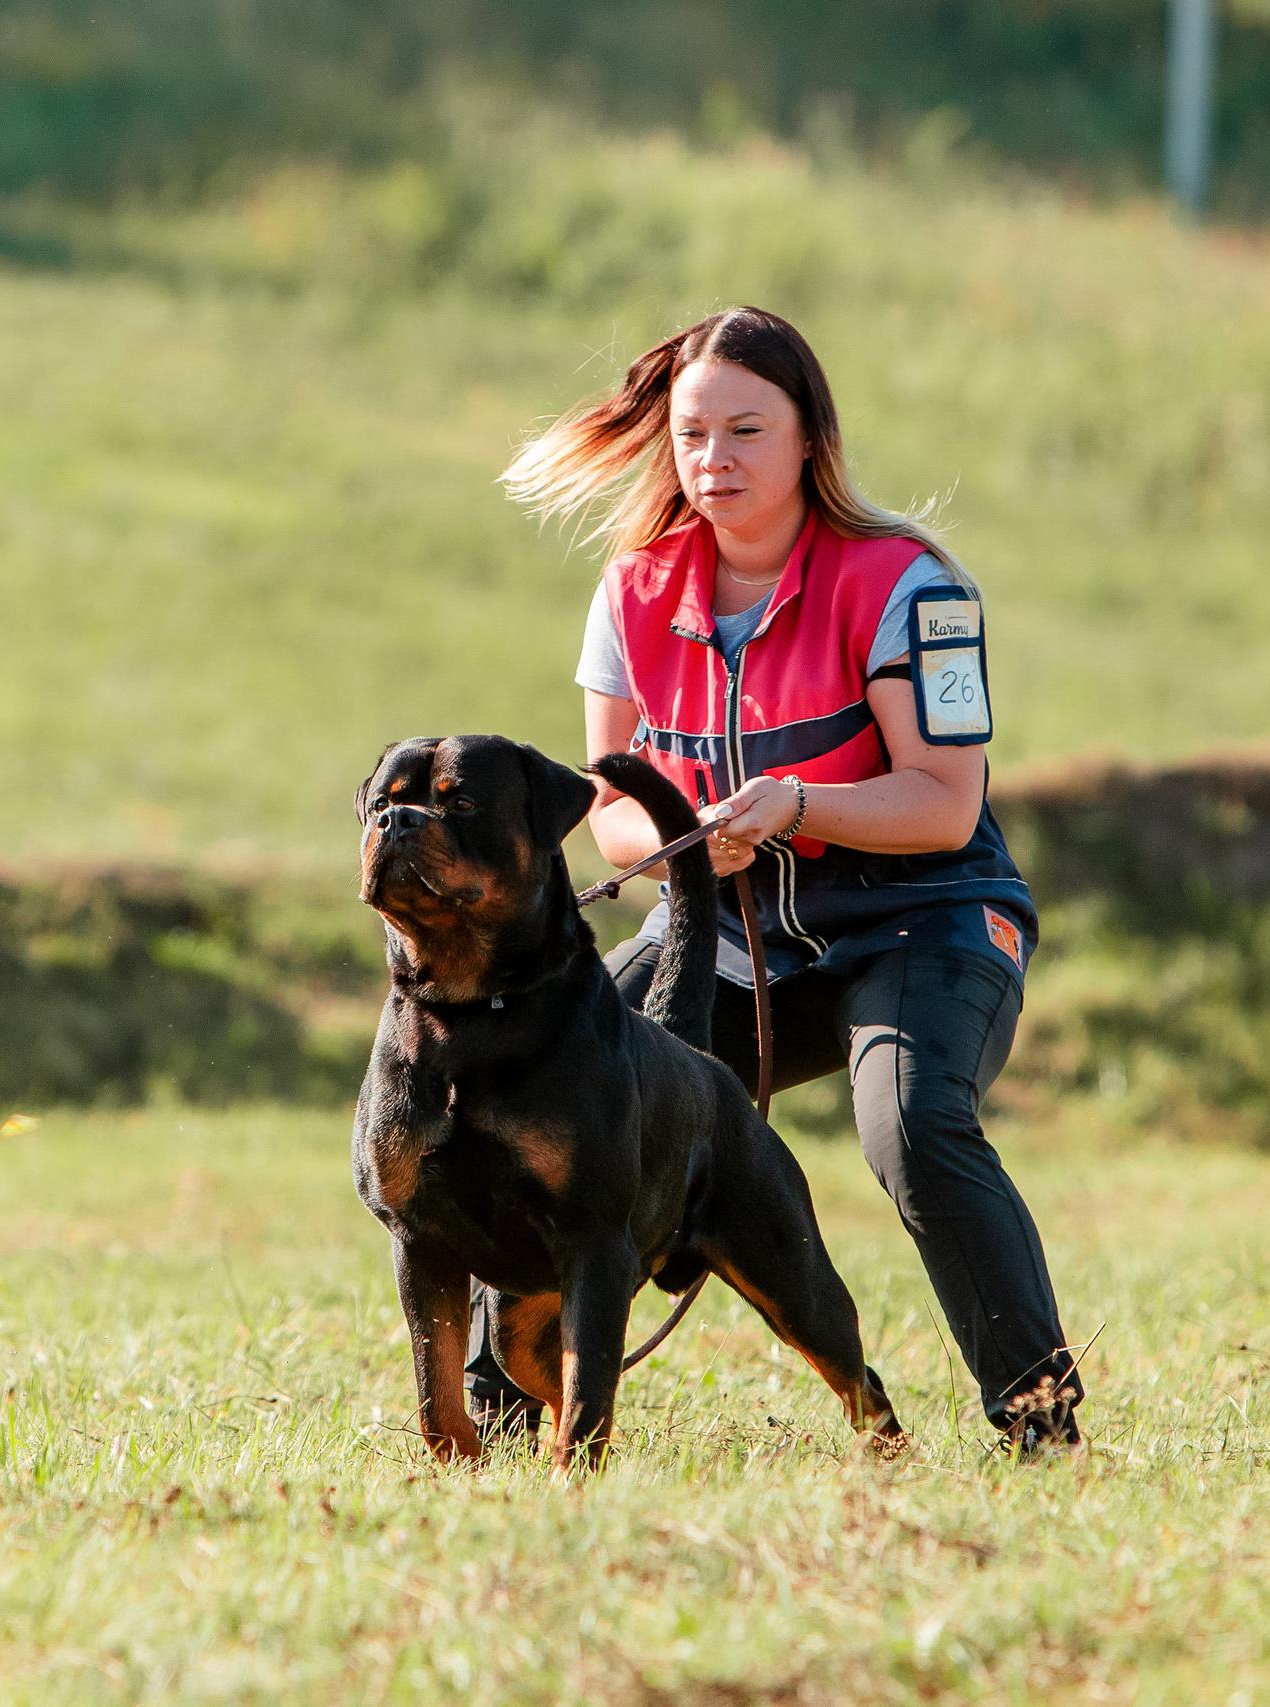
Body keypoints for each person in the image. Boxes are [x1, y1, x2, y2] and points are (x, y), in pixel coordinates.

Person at [472, 305, 1083, 1455]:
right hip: (731, 928)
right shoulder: (632, 591)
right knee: (548, 1074)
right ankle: (498, 1406)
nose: (714, 461)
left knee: (910, 1126)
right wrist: (680, 843)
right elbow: (609, 811)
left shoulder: (913, 587)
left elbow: (944, 804)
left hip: (926, 924)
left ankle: (1038, 1418)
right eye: (693, 435)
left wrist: (795, 805)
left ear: (811, 438)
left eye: (747, 431)